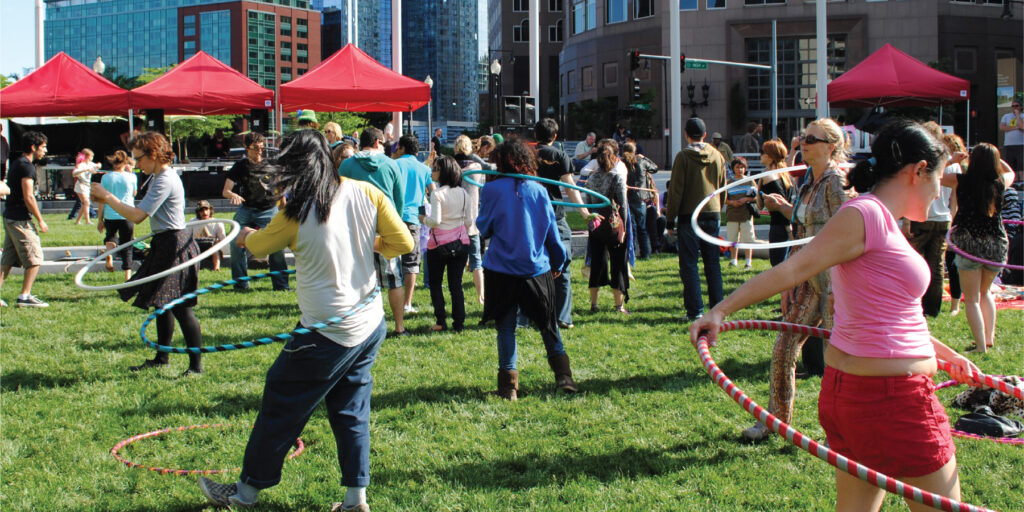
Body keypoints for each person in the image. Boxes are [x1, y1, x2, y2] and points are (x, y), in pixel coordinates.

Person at [690, 119, 979, 512]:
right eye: (940, 178)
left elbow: (888, 317)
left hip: (861, 395)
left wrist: (948, 356)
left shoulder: (882, 220)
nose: (939, 192)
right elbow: (794, 268)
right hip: (894, 401)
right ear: (917, 172)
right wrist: (721, 310)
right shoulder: (866, 215)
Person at [197, 129, 413, 512]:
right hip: (367, 324)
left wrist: (244, 235)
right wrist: (369, 242)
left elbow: (261, 247)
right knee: (351, 409)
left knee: (281, 403)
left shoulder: (296, 209)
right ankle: (354, 500)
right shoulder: (366, 192)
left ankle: (245, 494)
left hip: (326, 331)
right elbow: (404, 244)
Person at [751, 118, 852, 440]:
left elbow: (849, 234)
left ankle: (849, 429)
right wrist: (792, 279)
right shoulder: (809, 181)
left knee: (844, 361)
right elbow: (802, 234)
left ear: (831, 146)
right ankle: (775, 423)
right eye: (802, 136)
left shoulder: (837, 183)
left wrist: (839, 288)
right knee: (783, 346)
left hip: (838, 285)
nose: (802, 142)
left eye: (811, 138)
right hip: (811, 280)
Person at [90, 132, 204, 374]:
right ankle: (162, 358)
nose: (136, 164)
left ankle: (196, 367)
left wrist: (107, 197)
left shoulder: (164, 179)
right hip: (165, 242)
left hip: (174, 244)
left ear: (153, 154)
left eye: (139, 158)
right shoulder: (157, 176)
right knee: (161, 303)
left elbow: (138, 216)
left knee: (181, 307)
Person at [477, 138, 578, 401]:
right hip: (535, 268)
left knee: (506, 328)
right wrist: (559, 261)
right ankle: (564, 377)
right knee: (548, 324)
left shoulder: (491, 190)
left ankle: (509, 387)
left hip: (501, 270)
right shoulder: (539, 189)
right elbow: (550, 231)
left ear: (500, 161)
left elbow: (483, 227)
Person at [943, 143, 1015, 353]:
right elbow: (1010, 171)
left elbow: (937, 175)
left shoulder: (961, 181)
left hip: (969, 242)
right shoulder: (1000, 182)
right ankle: (989, 339)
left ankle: (981, 346)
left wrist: (953, 160)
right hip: (996, 243)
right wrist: (996, 158)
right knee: (984, 293)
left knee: (972, 298)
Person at [339, 127, 409, 336]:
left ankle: (363, 328)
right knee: (394, 280)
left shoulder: (346, 165)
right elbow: (399, 200)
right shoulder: (390, 164)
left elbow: (338, 196)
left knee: (359, 281)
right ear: (379, 142)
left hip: (355, 230)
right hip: (386, 229)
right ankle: (399, 327)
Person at [665, 117, 726, 322]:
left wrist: (669, 220)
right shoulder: (717, 155)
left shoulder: (683, 157)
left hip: (689, 216)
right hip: (712, 213)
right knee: (713, 263)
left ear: (686, 134)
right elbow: (722, 185)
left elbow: (676, 191)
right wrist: (719, 207)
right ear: (705, 135)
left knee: (689, 264)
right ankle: (718, 309)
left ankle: (695, 311)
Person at [534, 118, 590, 330]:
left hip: (531, 214)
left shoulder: (527, 154)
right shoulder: (559, 155)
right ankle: (563, 317)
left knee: (534, 264)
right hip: (554, 215)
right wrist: (584, 213)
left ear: (535, 135)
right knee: (562, 264)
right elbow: (570, 187)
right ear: (555, 136)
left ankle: (536, 314)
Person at [905, 123, 962, 317]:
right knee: (936, 266)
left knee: (908, 262)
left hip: (922, 217)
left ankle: (906, 303)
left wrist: (905, 220)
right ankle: (932, 309)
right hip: (944, 219)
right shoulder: (951, 163)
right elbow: (955, 197)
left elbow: (911, 190)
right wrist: (952, 220)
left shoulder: (922, 161)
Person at [223, 132, 290, 292]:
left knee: (277, 245)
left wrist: (284, 212)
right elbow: (225, 191)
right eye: (255, 148)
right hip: (247, 209)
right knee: (234, 242)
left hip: (268, 209)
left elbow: (280, 192)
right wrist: (233, 195)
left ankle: (281, 285)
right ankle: (241, 284)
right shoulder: (240, 166)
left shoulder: (271, 166)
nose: (259, 151)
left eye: (261, 148)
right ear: (246, 148)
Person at [421, 156, 475, 332]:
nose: (432, 171)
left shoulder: (437, 194)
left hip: (438, 245)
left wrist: (423, 219)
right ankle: (459, 323)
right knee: (456, 285)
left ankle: (440, 321)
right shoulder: (464, 194)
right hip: (460, 244)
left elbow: (435, 221)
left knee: (436, 284)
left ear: (443, 172)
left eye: (435, 169)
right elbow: (468, 221)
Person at [0, 131, 50, 308]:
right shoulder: (26, 167)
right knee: (35, 258)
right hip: (20, 219)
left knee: (7, 260)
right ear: (33, 147)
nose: (44, 150)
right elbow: (29, 197)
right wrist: (40, 220)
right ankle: (25, 296)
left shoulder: (17, 163)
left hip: (10, 216)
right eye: (42, 147)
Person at [585, 139, 630, 314]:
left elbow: (587, 203)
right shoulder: (616, 177)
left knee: (596, 263)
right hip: (613, 224)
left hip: (596, 224)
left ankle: (594, 305)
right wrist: (624, 228)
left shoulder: (591, 178)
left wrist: (592, 220)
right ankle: (619, 306)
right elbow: (623, 205)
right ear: (614, 157)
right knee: (618, 263)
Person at [393, 134, 435, 315]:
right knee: (411, 263)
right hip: (413, 219)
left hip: (392, 218)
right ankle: (407, 303)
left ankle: (389, 298)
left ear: (401, 148)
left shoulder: (393, 165)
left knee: (390, 262)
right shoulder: (423, 169)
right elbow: (433, 193)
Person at [454, 135, 486, 304]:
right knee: (476, 260)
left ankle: (456, 295)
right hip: (472, 220)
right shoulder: (476, 168)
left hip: (454, 221)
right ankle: (481, 296)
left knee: (455, 263)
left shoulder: (451, 167)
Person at [97, 151, 138, 279]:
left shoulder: (106, 177)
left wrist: (100, 219)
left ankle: (109, 254)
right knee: (127, 244)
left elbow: (102, 199)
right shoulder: (131, 177)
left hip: (110, 214)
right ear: (125, 162)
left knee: (110, 237)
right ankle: (127, 274)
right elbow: (134, 194)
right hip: (127, 214)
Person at [757, 139, 793, 267]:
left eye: (762, 152)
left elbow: (764, 205)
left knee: (778, 266)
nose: (759, 154)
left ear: (770, 156)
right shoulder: (784, 174)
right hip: (787, 226)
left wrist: (789, 231)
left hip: (780, 227)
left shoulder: (769, 177)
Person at [942, 134, 967, 315]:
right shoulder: (943, 165)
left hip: (952, 219)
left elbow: (954, 200)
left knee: (952, 262)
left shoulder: (955, 168)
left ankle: (955, 305)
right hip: (941, 217)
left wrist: (951, 220)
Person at [623, 141, 657, 260]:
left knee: (632, 228)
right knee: (642, 228)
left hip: (627, 197)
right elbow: (655, 168)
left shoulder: (622, 162)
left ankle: (632, 253)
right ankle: (645, 253)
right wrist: (644, 157)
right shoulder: (641, 162)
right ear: (635, 151)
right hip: (641, 198)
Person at [724, 156, 758, 269]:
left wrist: (746, 199)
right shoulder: (728, 182)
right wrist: (732, 203)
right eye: (737, 167)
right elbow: (724, 199)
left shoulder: (750, 181)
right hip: (732, 214)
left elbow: (757, 197)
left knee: (747, 238)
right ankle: (734, 260)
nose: (740, 169)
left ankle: (748, 262)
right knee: (733, 239)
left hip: (746, 215)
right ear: (733, 168)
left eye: (742, 167)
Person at [189, 200, 226, 272]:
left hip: (211, 247)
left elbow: (223, 240)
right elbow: (188, 237)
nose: (204, 213)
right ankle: (192, 269)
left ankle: (216, 268)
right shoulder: (192, 222)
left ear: (210, 210)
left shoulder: (217, 222)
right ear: (198, 212)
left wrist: (214, 242)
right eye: (201, 210)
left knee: (214, 248)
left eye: (206, 209)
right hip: (197, 246)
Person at [72, 149, 101, 225]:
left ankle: (78, 221)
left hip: (87, 186)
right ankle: (88, 221)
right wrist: (84, 170)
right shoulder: (81, 165)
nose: (92, 158)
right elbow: (74, 173)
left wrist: (98, 165)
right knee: (86, 202)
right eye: (92, 156)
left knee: (85, 204)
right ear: (88, 156)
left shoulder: (91, 164)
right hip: (80, 185)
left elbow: (98, 166)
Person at [999, 99, 1023, 182]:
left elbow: (1022, 127)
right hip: (1009, 144)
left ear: (1021, 107)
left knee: (1021, 165)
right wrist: (1016, 127)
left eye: (1016, 106)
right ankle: (1013, 182)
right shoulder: (1006, 116)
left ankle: (1022, 182)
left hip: (1021, 144)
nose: (1014, 107)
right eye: (1013, 106)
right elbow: (1002, 127)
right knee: (1010, 165)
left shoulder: (1023, 116)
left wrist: (1018, 116)